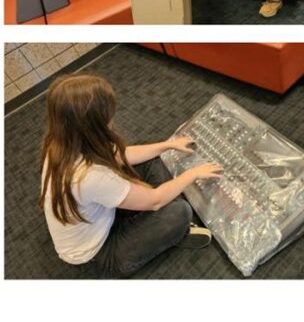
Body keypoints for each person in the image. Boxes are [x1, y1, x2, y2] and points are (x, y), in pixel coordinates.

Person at [39, 74, 222, 278]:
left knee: (151, 159)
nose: (112, 120)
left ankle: (159, 223)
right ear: (93, 124)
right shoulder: (89, 176)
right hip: (98, 257)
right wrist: (193, 173)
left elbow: (120, 155)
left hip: (97, 217)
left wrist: (167, 145)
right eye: (108, 116)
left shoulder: (61, 141)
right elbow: (155, 201)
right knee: (179, 213)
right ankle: (173, 231)